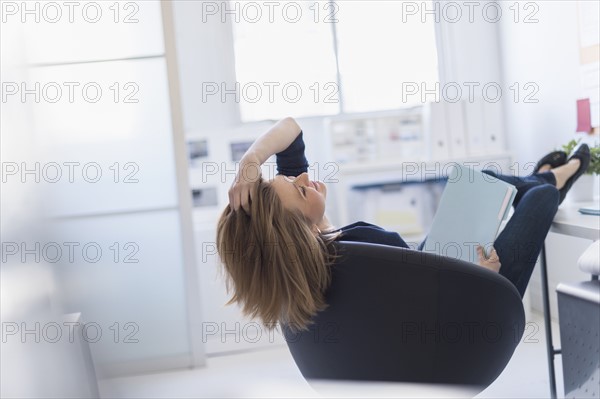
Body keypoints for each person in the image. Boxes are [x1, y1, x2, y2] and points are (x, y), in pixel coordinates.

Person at [216, 117, 591, 331]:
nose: (303, 178)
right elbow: (431, 313)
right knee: (538, 198)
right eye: (298, 189)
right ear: (298, 232)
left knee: (487, 181)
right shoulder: (355, 251)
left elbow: (291, 132)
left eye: (292, 177)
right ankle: (562, 172)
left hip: (436, 265)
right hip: (474, 295)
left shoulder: (315, 252)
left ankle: (543, 175)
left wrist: (251, 161)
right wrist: (485, 276)